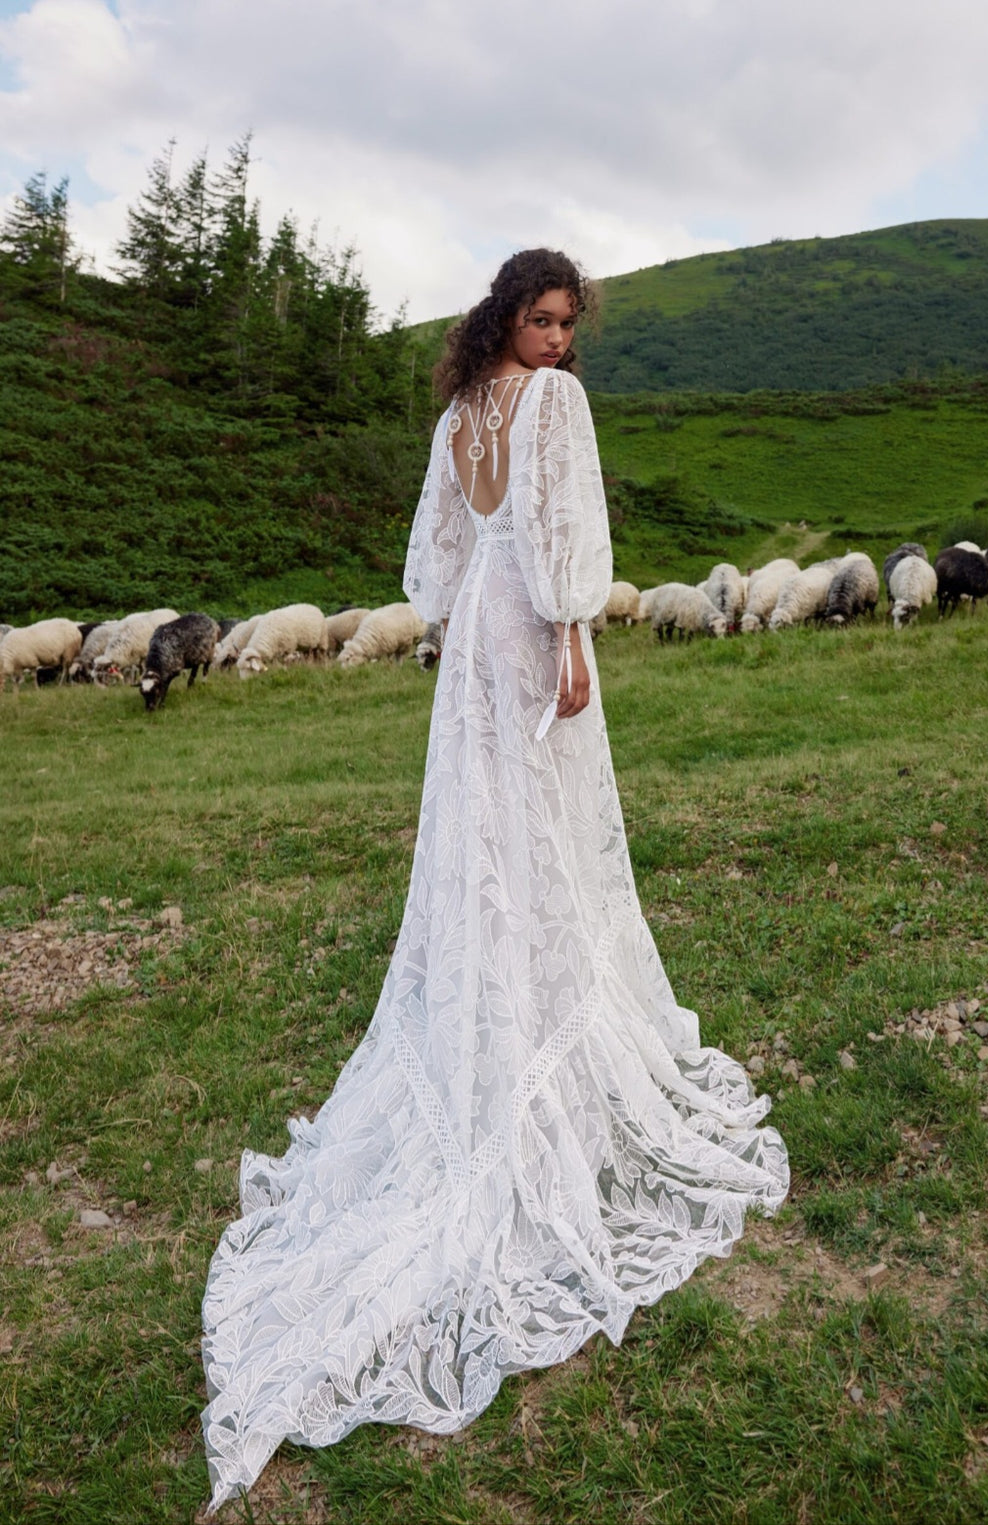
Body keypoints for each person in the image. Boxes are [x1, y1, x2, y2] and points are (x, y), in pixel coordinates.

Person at [200, 248, 788, 1513]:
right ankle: (550, 1050)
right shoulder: (550, 409)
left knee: (494, 845)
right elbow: (565, 537)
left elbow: (438, 560)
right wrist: (576, 635)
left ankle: (511, 1008)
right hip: (528, 638)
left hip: (470, 646)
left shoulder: (463, 406)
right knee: (549, 839)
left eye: (570, 323)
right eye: (544, 317)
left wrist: (497, 621)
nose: (562, 341)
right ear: (507, 316)